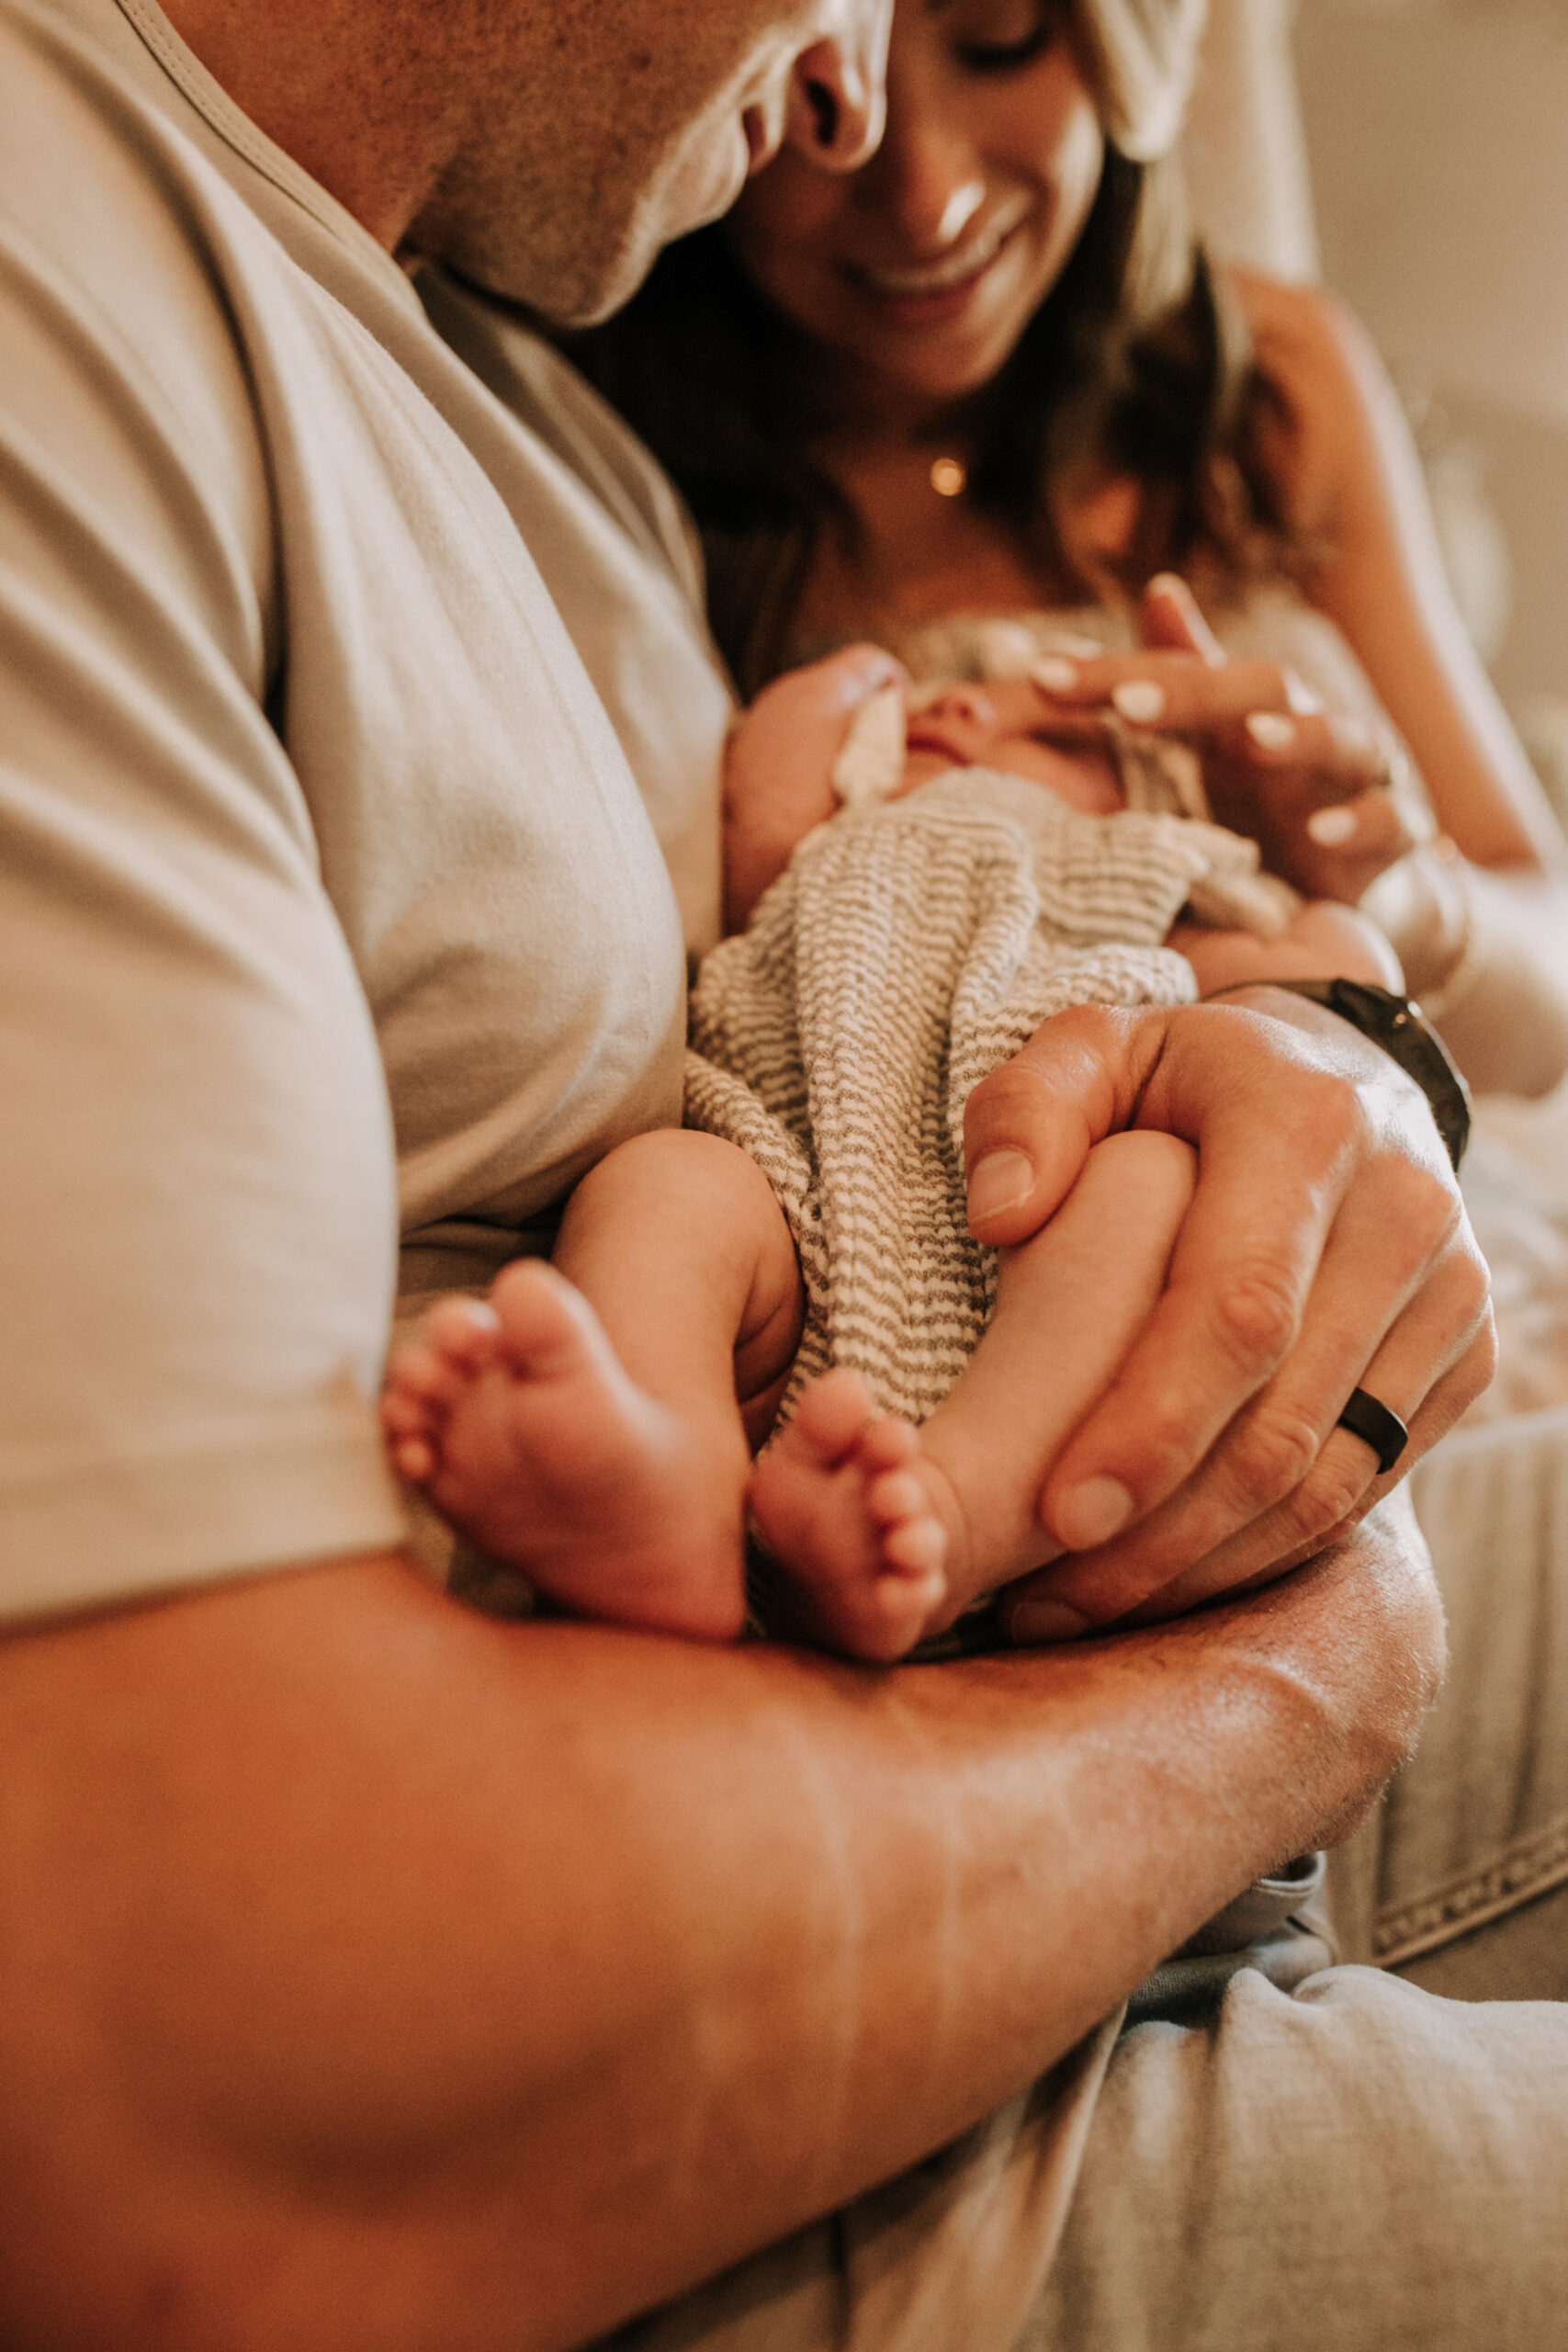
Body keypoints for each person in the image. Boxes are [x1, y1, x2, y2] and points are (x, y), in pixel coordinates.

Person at [0, 2, 1553, 2350]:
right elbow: (184, 2103)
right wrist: (1307, 1658)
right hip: (764, 1956)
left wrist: (1312, 1036)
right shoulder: (83, 286)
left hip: (968, 1649)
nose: (861, 121)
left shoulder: (522, 368)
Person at [565, 0, 1568, 1101]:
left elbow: (1552, 997)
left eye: (997, 40)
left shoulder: (1271, 387)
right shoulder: (616, 479)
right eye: (820, 92)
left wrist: (1391, 903)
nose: (925, 203)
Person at [385, 653, 1396, 1661]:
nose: (960, 703)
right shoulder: (831, 841)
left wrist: (1315, 904)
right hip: (794, 1211)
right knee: (667, 1187)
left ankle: (947, 1515)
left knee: (1148, 1186)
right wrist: (837, 690)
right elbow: (760, 811)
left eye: (1046, 732)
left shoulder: (1156, 875)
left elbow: (1321, 1002)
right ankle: (668, 1474)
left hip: (1038, 1240)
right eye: (924, 703)